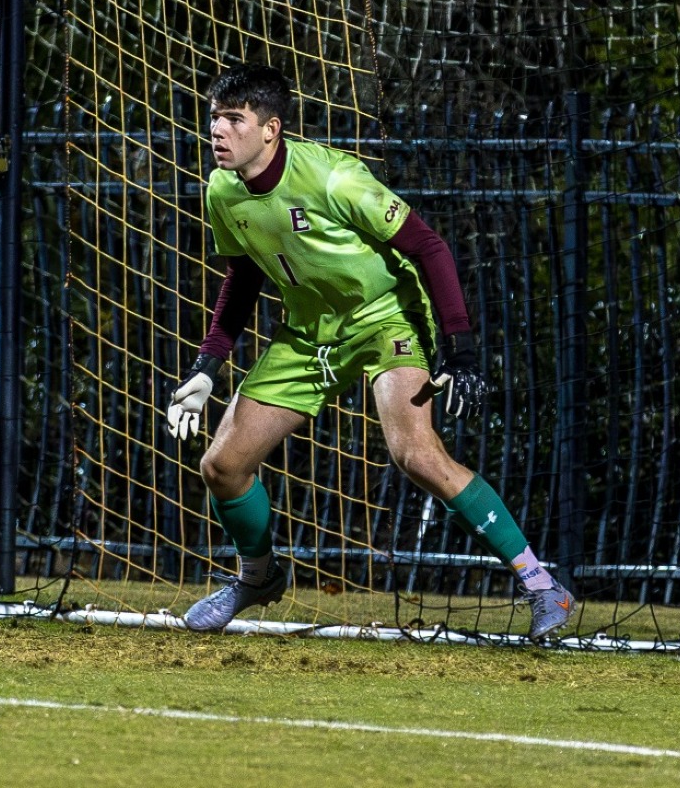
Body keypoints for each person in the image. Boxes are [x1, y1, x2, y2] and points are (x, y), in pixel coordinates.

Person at [164, 65, 574, 640]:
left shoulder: (335, 179)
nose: (218, 131)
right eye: (214, 118)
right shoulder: (222, 189)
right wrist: (208, 364)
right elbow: (242, 278)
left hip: (386, 317)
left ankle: (541, 586)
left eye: (234, 119)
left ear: (271, 130)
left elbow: (428, 246)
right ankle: (257, 579)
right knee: (222, 466)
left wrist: (463, 352)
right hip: (308, 333)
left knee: (416, 455)